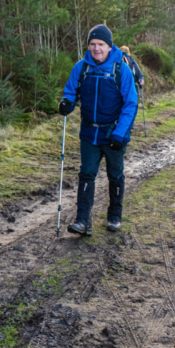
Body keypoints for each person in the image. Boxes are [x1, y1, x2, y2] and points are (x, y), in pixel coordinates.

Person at [58, 25, 138, 235]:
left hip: (113, 133)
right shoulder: (81, 68)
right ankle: (83, 220)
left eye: (101, 44)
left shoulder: (122, 70)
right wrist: (66, 102)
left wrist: (120, 134)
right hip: (89, 133)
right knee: (86, 174)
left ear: (109, 46)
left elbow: (131, 104)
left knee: (115, 174)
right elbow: (70, 91)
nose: (96, 48)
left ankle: (114, 215)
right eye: (92, 44)